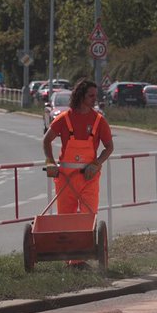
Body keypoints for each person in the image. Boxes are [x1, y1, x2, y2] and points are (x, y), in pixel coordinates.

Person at [42, 79, 114, 267]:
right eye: (91, 96)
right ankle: (71, 260)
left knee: (87, 217)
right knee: (67, 218)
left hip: (89, 177)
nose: (94, 99)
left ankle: (81, 259)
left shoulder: (98, 120)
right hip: (65, 177)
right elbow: (46, 140)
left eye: (95, 96)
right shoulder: (65, 119)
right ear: (80, 95)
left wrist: (96, 163)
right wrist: (50, 162)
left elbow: (109, 147)